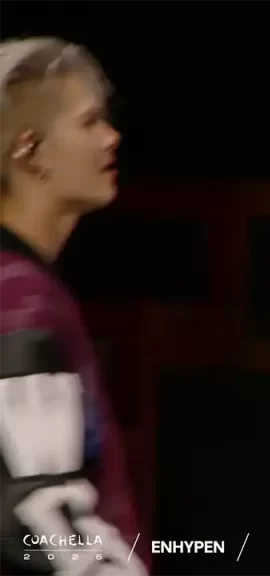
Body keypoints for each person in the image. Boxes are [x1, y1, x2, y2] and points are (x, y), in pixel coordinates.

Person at [0, 37, 147, 575]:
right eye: (89, 122)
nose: (111, 137)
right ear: (29, 150)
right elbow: (38, 516)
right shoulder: (19, 296)